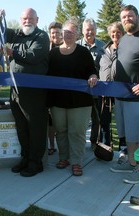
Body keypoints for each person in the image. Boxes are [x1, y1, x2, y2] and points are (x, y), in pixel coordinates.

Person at [0, 8, 49, 177]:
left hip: (34, 92)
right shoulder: (17, 34)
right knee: (21, 127)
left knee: (36, 128)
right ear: (20, 20)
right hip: (15, 90)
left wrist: (12, 52)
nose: (27, 21)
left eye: (30, 19)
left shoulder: (41, 36)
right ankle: (25, 158)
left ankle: (35, 162)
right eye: (24, 19)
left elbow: (33, 55)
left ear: (37, 19)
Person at [48, 17, 97, 176]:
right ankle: (64, 158)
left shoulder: (83, 52)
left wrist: (93, 77)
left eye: (72, 32)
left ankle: (76, 161)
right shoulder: (53, 53)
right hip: (58, 101)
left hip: (80, 101)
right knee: (60, 131)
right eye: (66, 32)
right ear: (62, 33)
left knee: (77, 132)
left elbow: (92, 70)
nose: (68, 35)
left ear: (77, 35)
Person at [110, 5, 139, 184]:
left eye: (130, 16)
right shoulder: (124, 39)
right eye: (123, 17)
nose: (127, 19)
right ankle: (132, 162)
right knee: (128, 135)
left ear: (138, 16)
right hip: (121, 96)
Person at [77, 18, 105, 150]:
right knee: (78, 119)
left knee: (96, 118)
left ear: (96, 31)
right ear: (83, 31)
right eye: (87, 29)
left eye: (92, 30)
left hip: (97, 90)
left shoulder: (103, 46)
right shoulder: (75, 45)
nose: (90, 32)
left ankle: (95, 142)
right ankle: (79, 143)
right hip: (79, 90)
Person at [98, 21, 124, 159]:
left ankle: (123, 151)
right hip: (105, 93)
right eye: (113, 32)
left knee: (120, 123)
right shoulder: (103, 51)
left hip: (121, 92)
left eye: (118, 32)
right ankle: (106, 149)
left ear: (123, 33)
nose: (115, 35)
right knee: (105, 123)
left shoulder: (126, 49)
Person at [47, 21, 63, 155]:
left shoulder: (67, 47)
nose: (55, 35)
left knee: (63, 121)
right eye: (53, 33)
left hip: (64, 90)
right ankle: (52, 145)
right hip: (49, 90)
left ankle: (65, 146)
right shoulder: (46, 48)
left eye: (58, 32)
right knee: (50, 121)